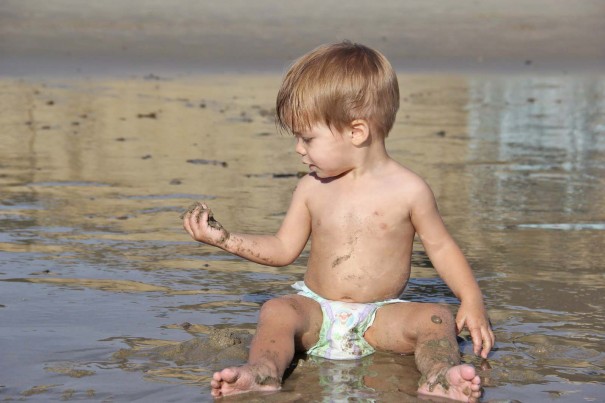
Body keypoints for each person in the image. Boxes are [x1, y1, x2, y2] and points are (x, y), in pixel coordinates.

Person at [183, 41, 494, 402]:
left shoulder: (409, 190)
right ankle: (263, 371)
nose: (299, 149)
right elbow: (284, 249)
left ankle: (440, 375)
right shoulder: (311, 189)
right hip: (316, 310)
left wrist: (471, 298)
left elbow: (441, 247)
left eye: (308, 138)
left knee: (436, 319)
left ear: (356, 132)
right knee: (278, 311)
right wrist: (226, 239)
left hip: (380, 318)